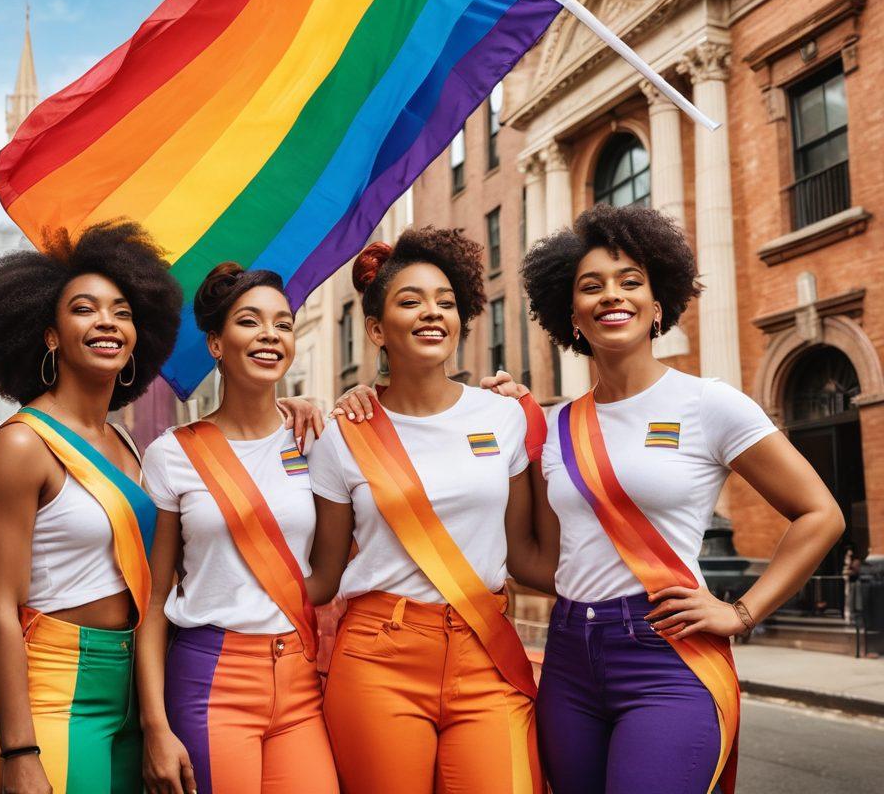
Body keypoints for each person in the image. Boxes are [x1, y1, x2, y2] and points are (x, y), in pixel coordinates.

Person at [511, 204, 844, 794]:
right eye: (593, 286)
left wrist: (741, 613)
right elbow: (541, 561)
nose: (612, 295)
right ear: (573, 314)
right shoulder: (554, 428)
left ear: (657, 304)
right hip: (568, 658)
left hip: (667, 655)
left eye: (630, 281)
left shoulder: (709, 404)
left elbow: (819, 514)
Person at [306, 228, 550, 794]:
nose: (432, 313)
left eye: (445, 302)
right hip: (377, 657)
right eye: (410, 301)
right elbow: (323, 572)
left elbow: (524, 552)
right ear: (375, 330)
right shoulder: (342, 436)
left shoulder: (504, 415)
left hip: (484, 645)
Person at [0, 221, 182, 794]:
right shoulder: (22, 444)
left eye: (122, 311)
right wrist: (19, 751)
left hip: (134, 693)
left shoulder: (130, 445)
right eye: (84, 310)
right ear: (49, 336)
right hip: (51, 693)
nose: (107, 322)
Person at [137, 263, 337, 794]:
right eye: (250, 321)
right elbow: (154, 600)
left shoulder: (318, 438)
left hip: (299, 676)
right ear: (216, 344)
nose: (270, 334)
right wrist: (154, 726)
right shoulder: (172, 455)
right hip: (211, 677)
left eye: (284, 323)